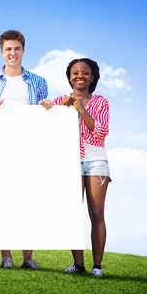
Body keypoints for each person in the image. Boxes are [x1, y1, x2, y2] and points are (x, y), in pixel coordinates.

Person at [0, 30, 48, 270]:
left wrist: (47, 106)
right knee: (3, 201)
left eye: (17, 48)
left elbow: (44, 116)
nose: (13, 53)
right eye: (8, 49)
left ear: (23, 51)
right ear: (1, 52)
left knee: (29, 201)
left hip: (28, 149)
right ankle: (6, 256)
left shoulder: (38, 82)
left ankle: (28, 257)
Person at [40, 58, 110, 277]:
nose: (80, 76)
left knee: (96, 213)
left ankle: (96, 266)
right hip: (69, 160)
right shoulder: (61, 100)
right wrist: (48, 107)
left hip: (95, 159)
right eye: (75, 72)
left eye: (85, 73)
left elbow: (101, 133)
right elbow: (46, 124)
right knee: (73, 212)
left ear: (92, 77)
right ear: (69, 76)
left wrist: (81, 109)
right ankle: (78, 264)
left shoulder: (100, 102)